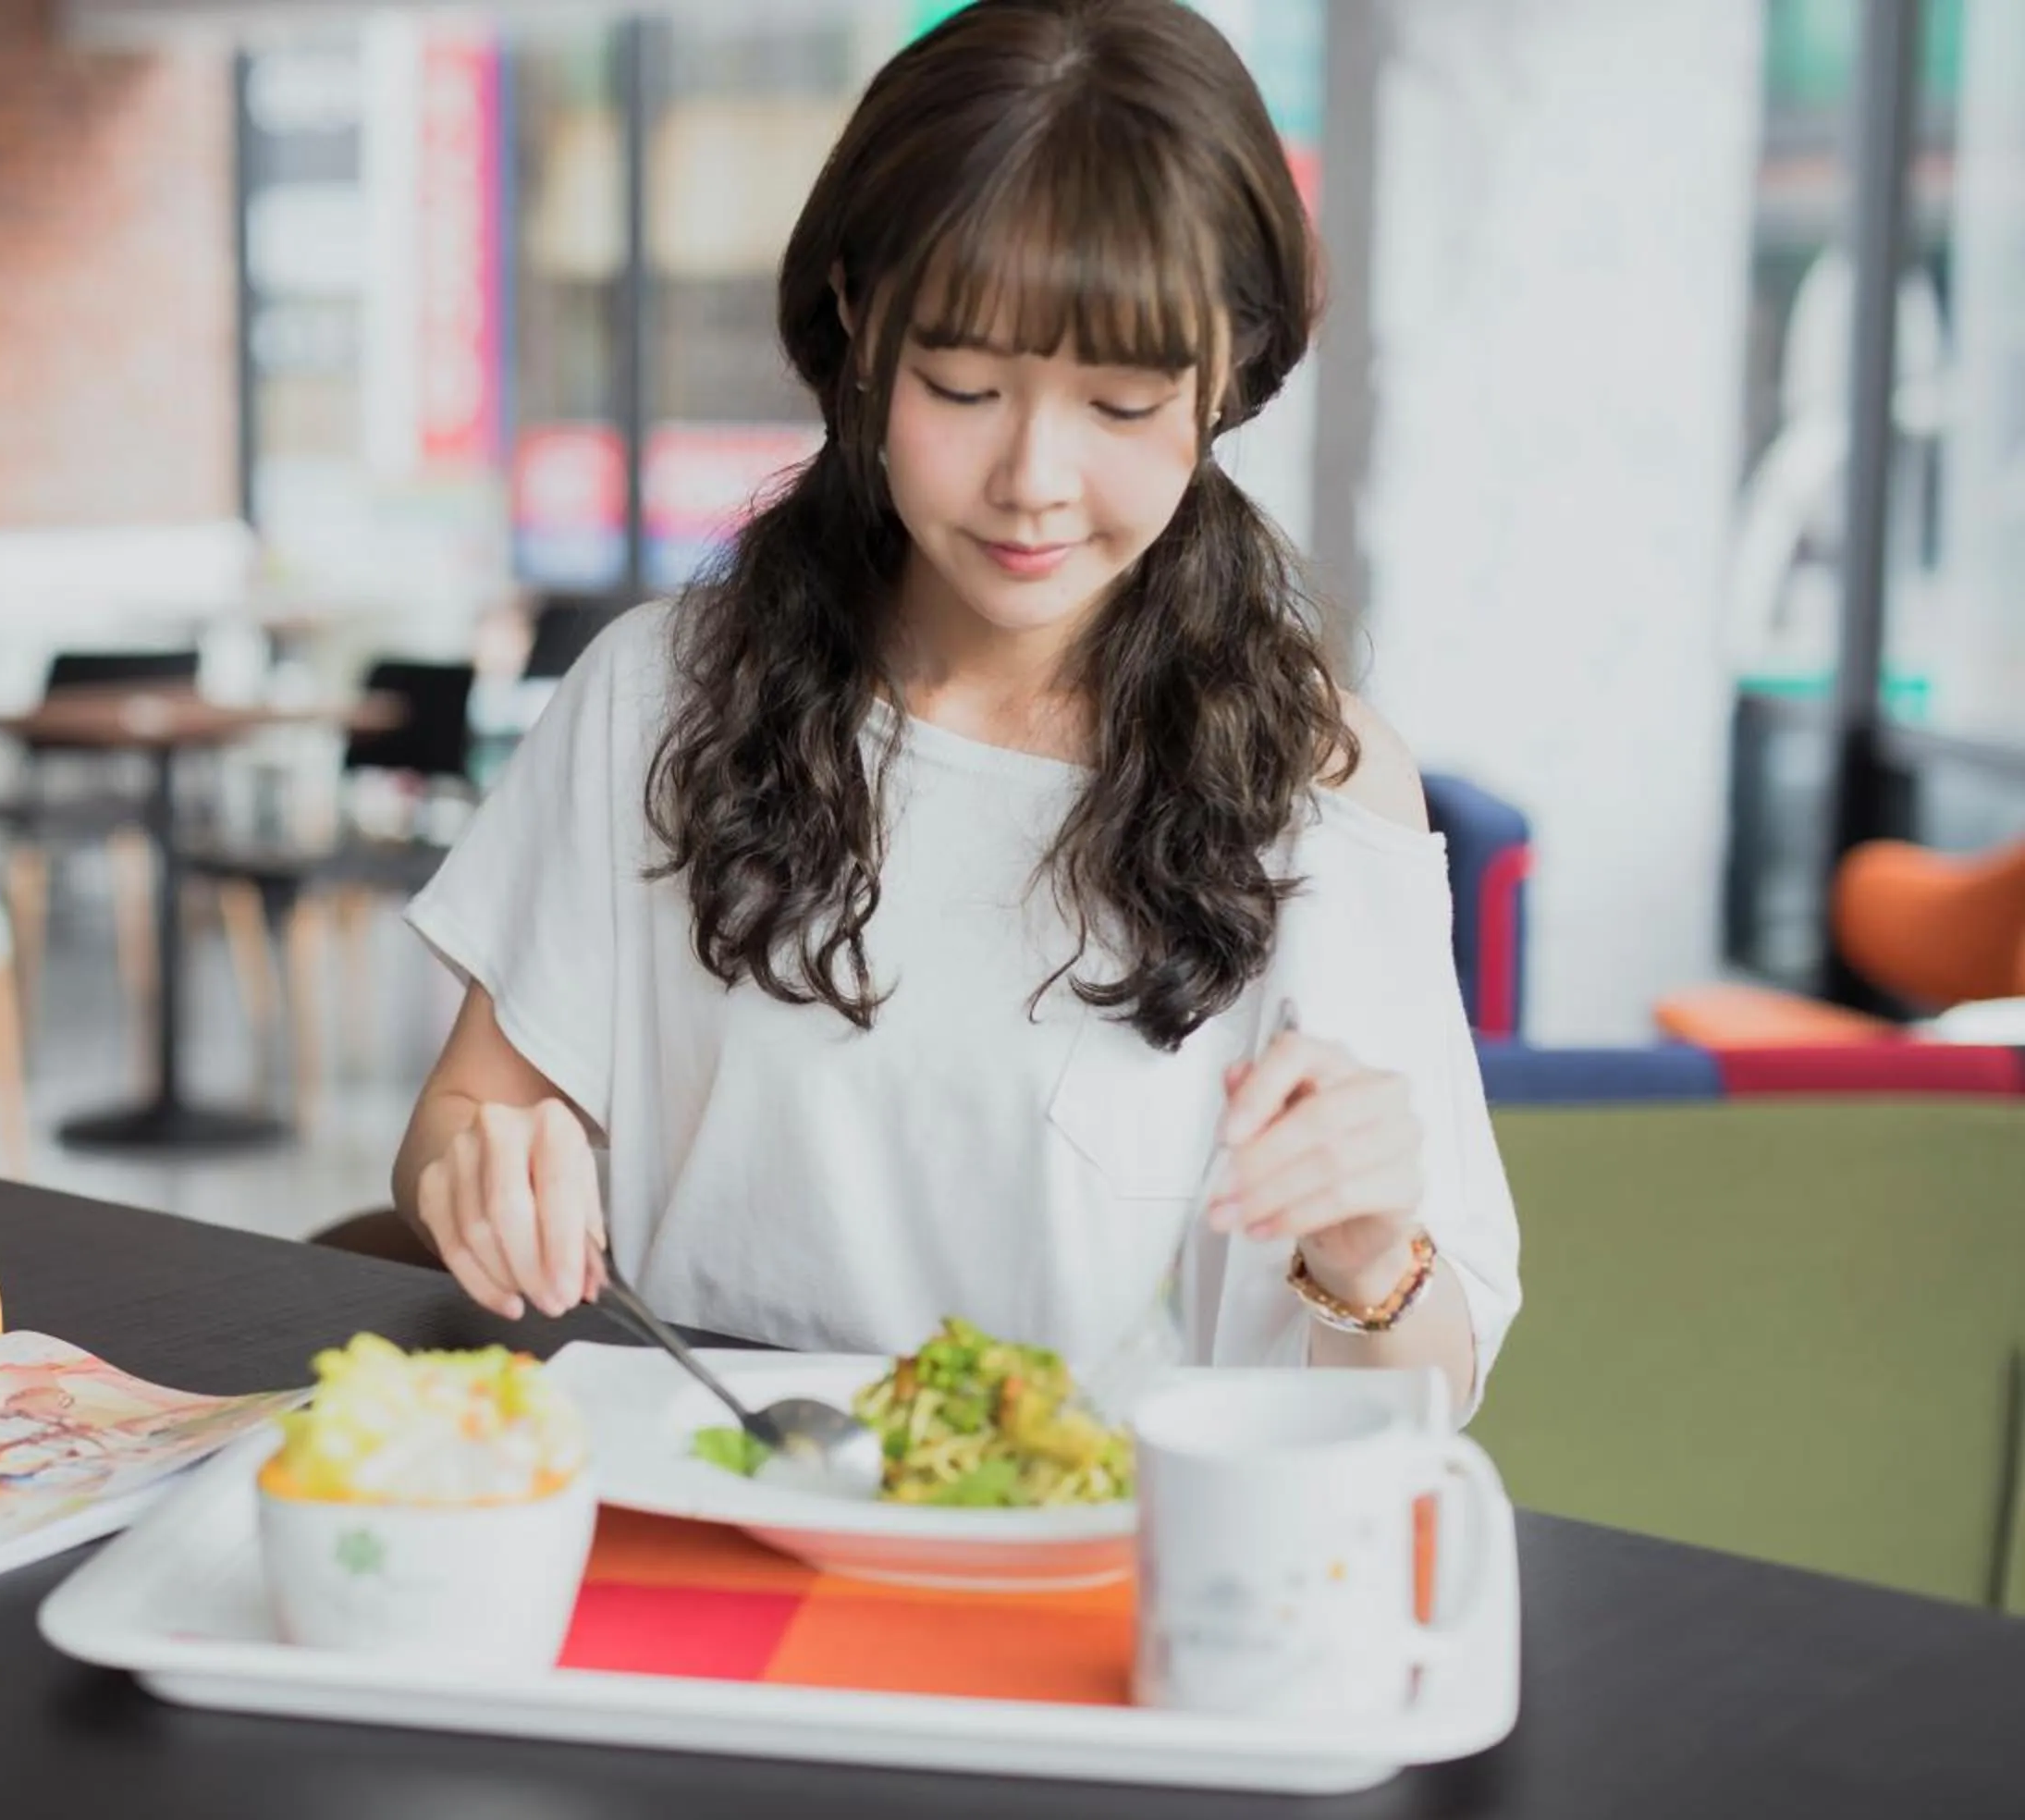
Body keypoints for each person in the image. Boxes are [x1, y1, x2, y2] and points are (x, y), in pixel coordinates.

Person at [392, 0, 1521, 1415]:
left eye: (1119, 407)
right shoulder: (661, 694)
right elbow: (467, 1110)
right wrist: (478, 1169)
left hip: (1108, 1576)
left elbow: (1427, 1384)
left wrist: (1369, 1251)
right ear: (862, 319)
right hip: (711, 1527)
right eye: (966, 385)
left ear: (1225, 377)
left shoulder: (1319, 788)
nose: (1033, 479)